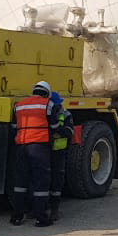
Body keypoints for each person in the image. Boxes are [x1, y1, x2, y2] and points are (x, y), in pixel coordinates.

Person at [11, 81, 58, 227]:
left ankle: (17, 216)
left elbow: (13, 126)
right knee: (41, 182)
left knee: (20, 182)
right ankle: (41, 218)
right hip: (39, 146)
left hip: (21, 146)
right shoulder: (48, 105)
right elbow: (54, 125)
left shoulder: (19, 105)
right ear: (46, 93)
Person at [48, 91, 74, 222]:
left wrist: (57, 130)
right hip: (46, 151)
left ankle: (54, 210)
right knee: (42, 180)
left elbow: (69, 132)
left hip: (59, 152)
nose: (60, 105)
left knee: (57, 181)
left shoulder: (66, 114)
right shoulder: (46, 114)